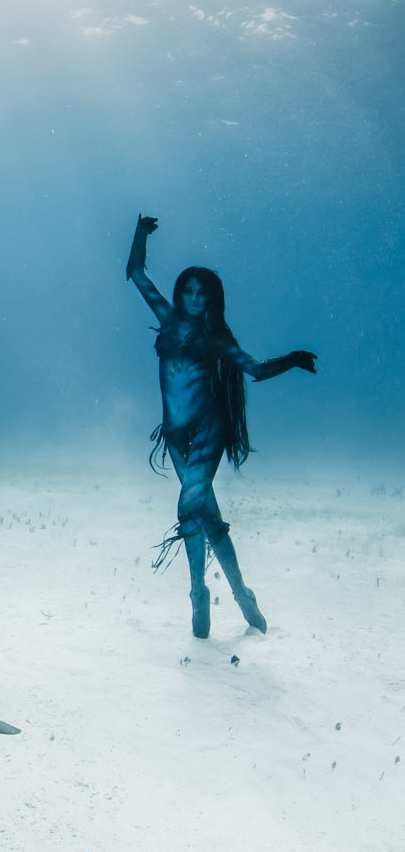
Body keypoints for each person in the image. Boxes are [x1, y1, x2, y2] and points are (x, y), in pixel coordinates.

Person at [124, 215, 317, 638]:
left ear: (212, 299)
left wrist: (294, 359)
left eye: (201, 293)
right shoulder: (168, 317)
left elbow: (255, 370)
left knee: (188, 506)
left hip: (207, 429)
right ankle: (241, 592)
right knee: (208, 517)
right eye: (188, 292)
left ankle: (196, 592)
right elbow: (136, 273)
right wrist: (140, 233)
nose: (193, 299)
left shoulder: (215, 337)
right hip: (174, 434)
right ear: (181, 294)